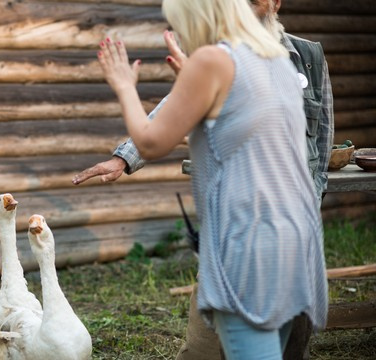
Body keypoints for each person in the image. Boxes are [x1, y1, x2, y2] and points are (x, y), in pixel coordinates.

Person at [73, 0, 333, 358]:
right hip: (292, 242)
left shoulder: (213, 61)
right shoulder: (271, 59)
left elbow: (153, 140)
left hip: (246, 252)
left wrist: (123, 86)